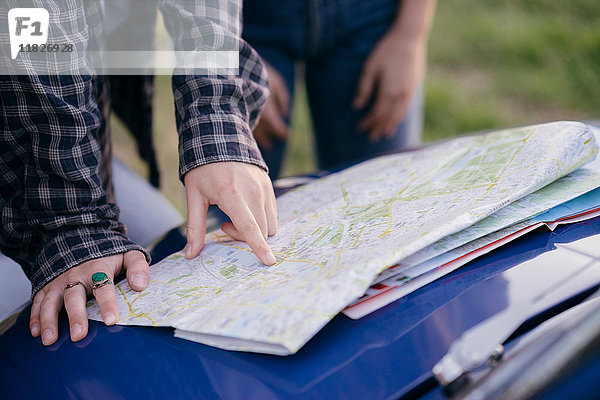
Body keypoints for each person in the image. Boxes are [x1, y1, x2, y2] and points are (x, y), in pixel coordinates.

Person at [0, 0, 276, 346]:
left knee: (161, 250)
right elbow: (30, 31)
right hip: (19, 137)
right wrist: (71, 224)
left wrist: (216, 116)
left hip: (72, 125)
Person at [243, 0, 436, 178]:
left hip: (373, 19)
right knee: (233, 207)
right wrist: (231, 55)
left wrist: (409, 33)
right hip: (244, 19)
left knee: (381, 197)